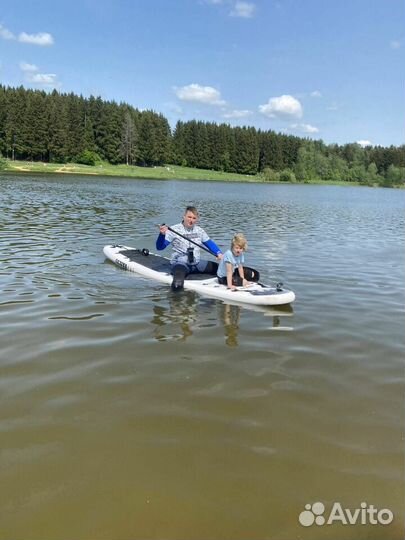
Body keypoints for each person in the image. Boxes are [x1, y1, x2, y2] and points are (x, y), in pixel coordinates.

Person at [156, 206, 223, 291]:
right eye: (189, 217)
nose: (191, 220)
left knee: (220, 269)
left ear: (197, 219)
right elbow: (160, 247)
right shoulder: (173, 230)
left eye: (194, 218)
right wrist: (162, 235)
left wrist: (219, 253)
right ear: (184, 216)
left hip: (197, 264)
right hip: (180, 264)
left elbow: (210, 244)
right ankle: (177, 301)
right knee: (177, 284)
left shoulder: (199, 231)